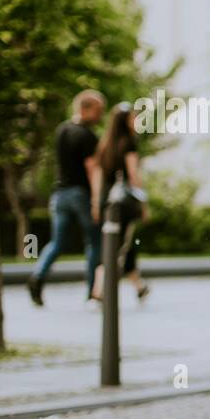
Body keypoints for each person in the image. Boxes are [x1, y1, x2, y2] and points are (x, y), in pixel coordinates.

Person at [27, 90, 106, 305]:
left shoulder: (62, 130)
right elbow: (92, 169)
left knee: (57, 242)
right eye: (98, 111)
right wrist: (97, 201)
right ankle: (92, 291)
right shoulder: (87, 136)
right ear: (85, 108)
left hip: (59, 194)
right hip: (81, 194)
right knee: (94, 241)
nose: (100, 116)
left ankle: (38, 276)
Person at [90, 103, 150, 302]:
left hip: (108, 201)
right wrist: (143, 202)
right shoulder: (128, 143)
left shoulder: (105, 145)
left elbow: (97, 176)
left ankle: (138, 286)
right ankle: (99, 290)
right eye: (133, 118)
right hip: (124, 203)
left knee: (122, 244)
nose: (136, 122)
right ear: (125, 122)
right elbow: (133, 175)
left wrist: (96, 203)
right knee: (119, 247)